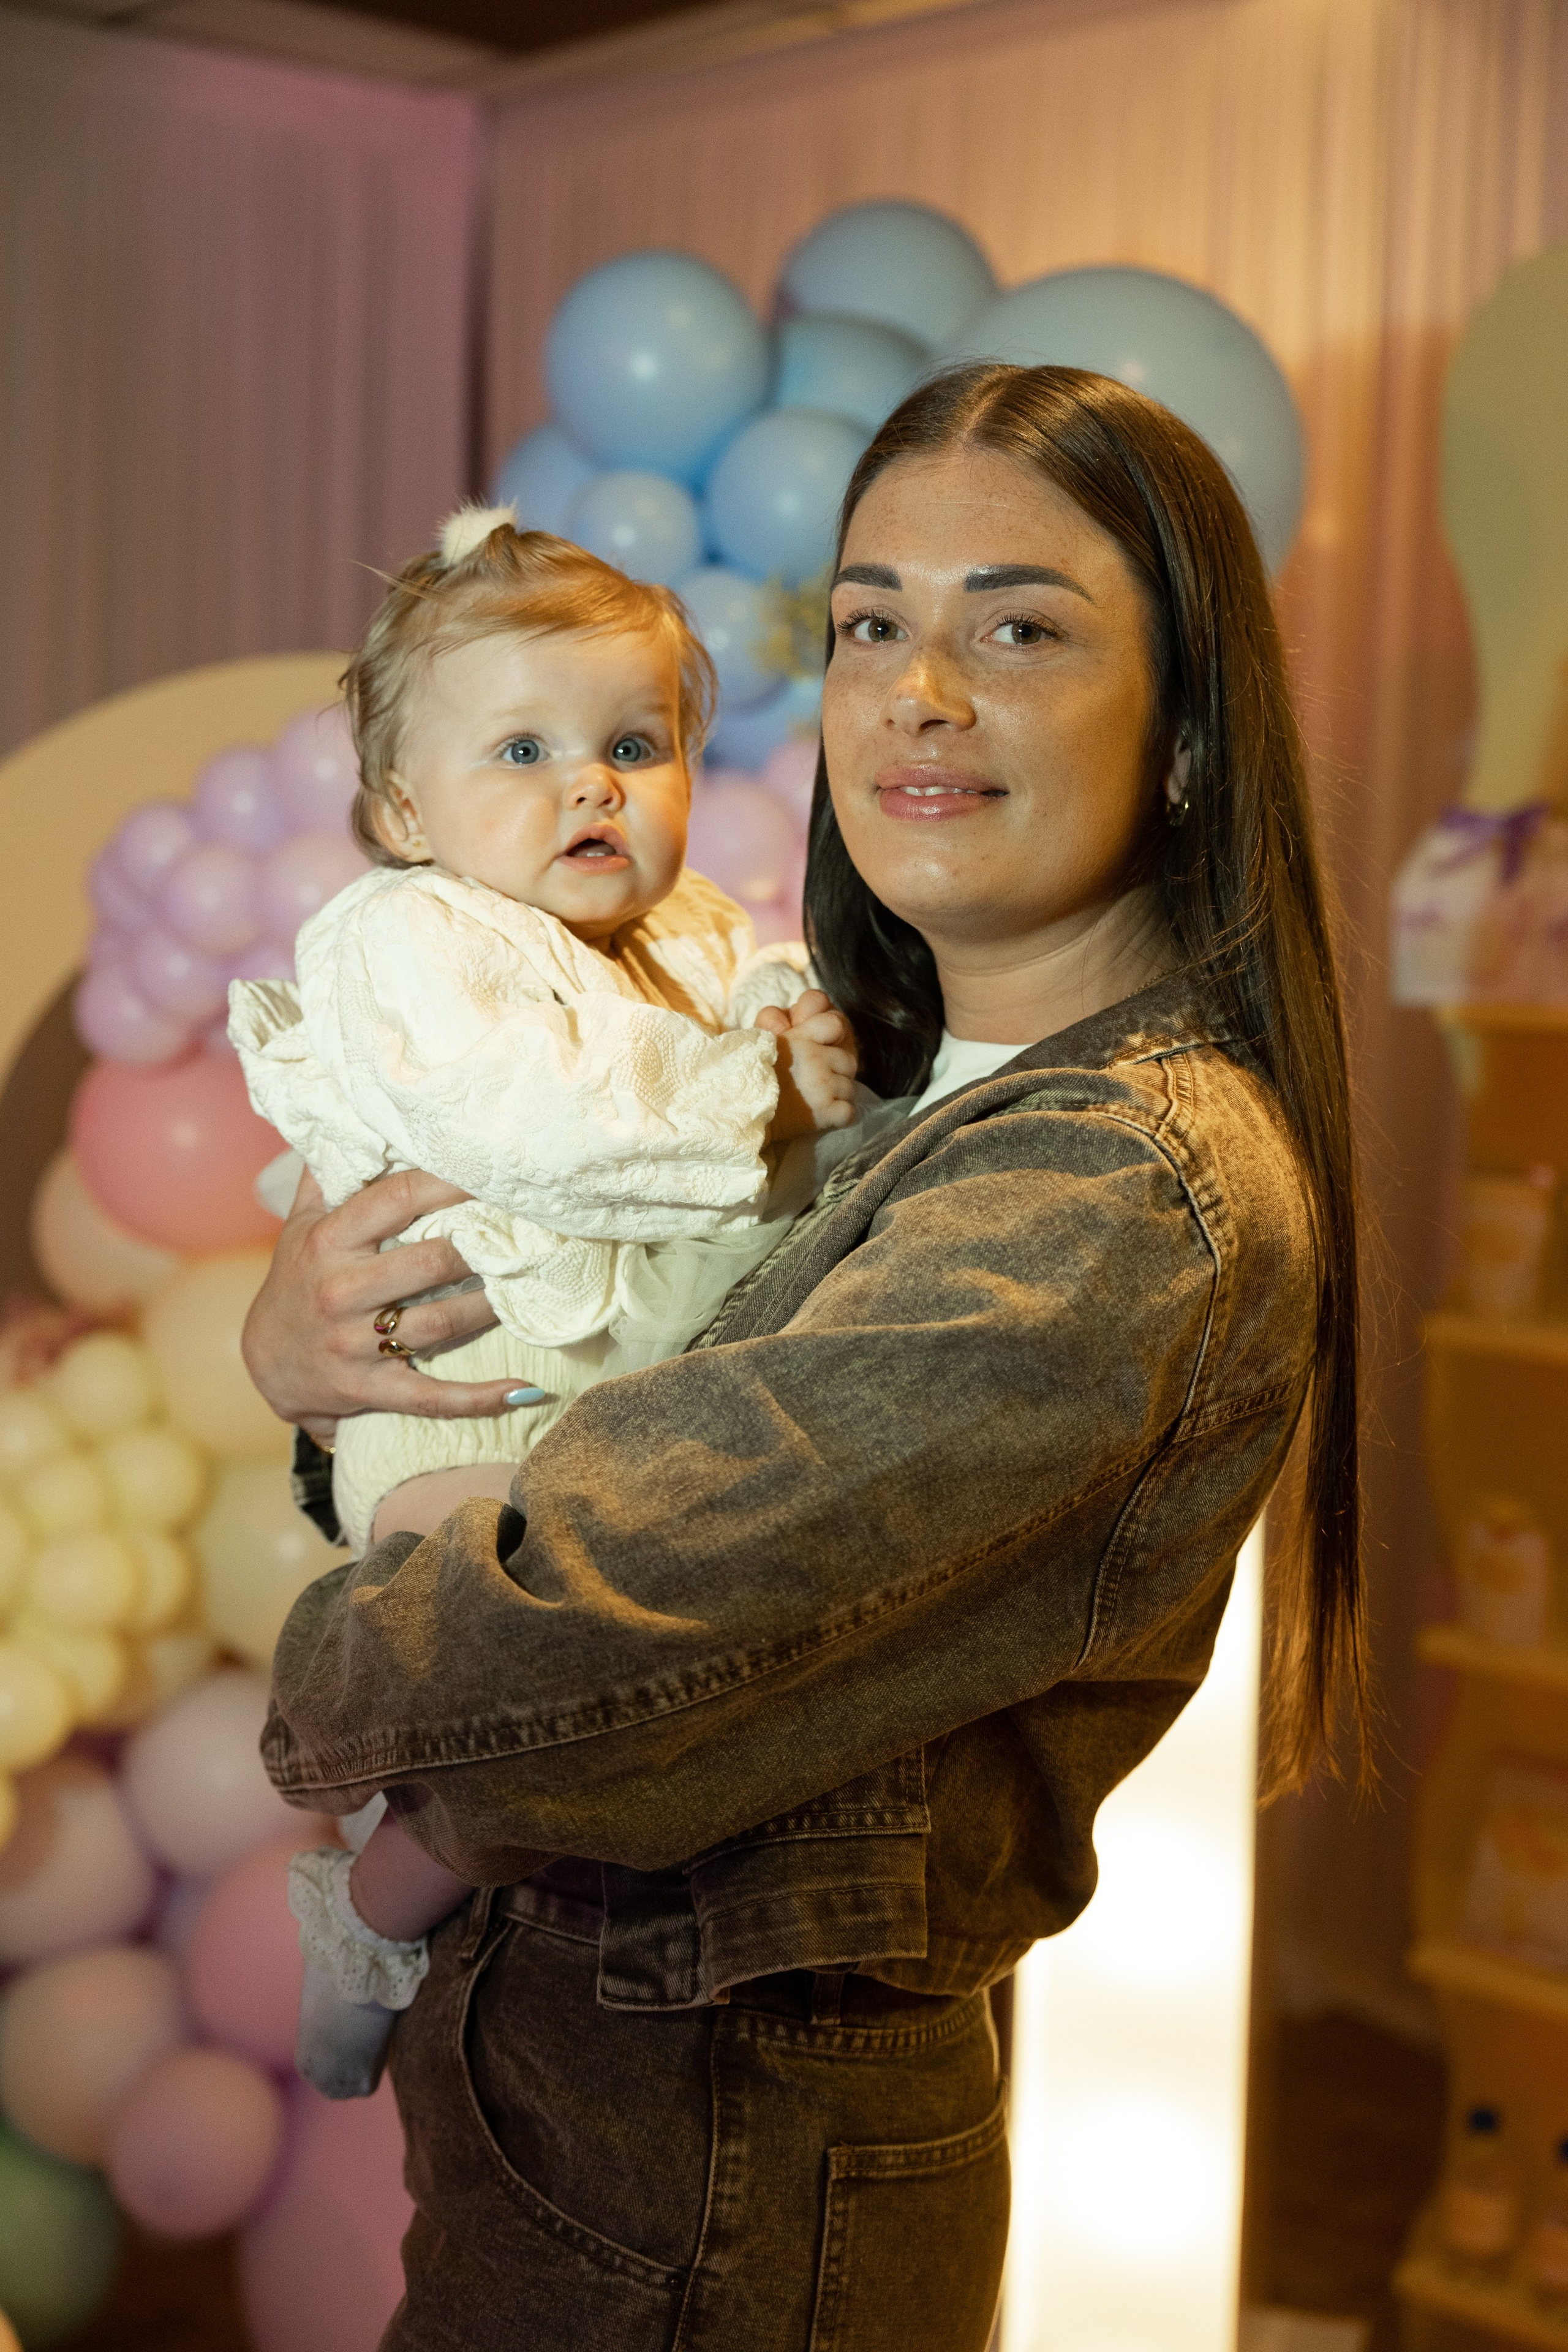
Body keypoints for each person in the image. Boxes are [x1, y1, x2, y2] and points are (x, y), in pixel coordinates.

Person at [248, 362, 1366, 2352]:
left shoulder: (1115, 1192)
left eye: (1018, 625)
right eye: (870, 623)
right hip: (588, 2159)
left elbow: (565, 1655)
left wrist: (339, 1630)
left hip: (711, 2211)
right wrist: (317, 1353)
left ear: (1188, 730)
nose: (917, 690)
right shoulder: (880, 1091)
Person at [228, 510, 862, 2094]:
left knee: (572, 1727)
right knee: (557, 1693)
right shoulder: (406, 938)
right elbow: (548, 1121)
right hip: (463, 1400)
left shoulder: (697, 930)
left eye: (634, 744)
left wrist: (799, 1029)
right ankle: (368, 1917)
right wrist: (764, 1109)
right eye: (523, 747)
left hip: (613, 1409)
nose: (592, 783)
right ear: (404, 805)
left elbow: (765, 986)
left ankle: (379, 1890)